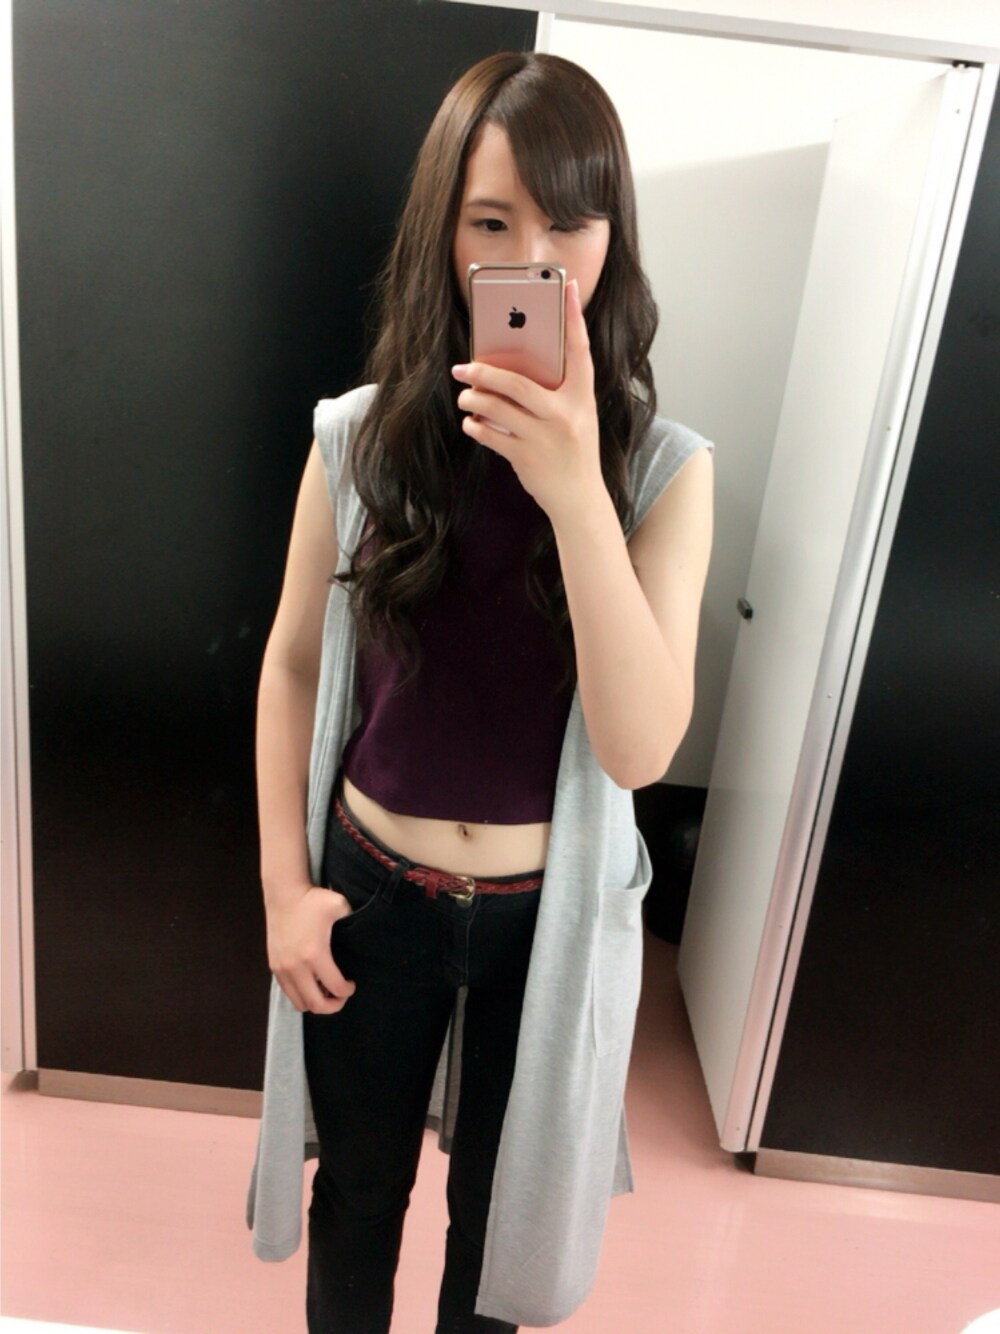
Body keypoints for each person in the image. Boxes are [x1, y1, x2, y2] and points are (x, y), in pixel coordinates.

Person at [248, 50, 714, 1334]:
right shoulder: (356, 438)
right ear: (441, 234)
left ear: (614, 233)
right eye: (492, 222)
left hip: (543, 921)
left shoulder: (663, 472)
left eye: (569, 222)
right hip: (370, 892)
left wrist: (573, 491)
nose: (535, 259)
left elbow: (638, 748)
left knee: (496, 1234)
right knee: (357, 1198)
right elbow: (291, 662)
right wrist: (283, 889)